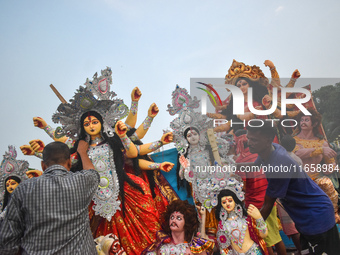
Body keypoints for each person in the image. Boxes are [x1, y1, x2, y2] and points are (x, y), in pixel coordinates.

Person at [246, 121, 340, 255]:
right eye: (248, 138)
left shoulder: (278, 165)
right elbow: (253, 167)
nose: (249, 143)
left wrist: (246, 230)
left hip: (316, 216)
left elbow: (267, 206)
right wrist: (230, 168)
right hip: (309, 214)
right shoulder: (271, 149)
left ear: (267, 140)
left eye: (254, 140)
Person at [0, 141, 100, 254]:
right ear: (70, 162)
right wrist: (82, 152)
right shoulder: (82, 182)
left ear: (43, 165)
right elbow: (92, 173)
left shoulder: (23, 189)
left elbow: (8, 239)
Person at [234, 129, 286, 255]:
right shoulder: (261, 154)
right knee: (275, 235)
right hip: (270, 200)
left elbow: (244, 186)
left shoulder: (241, 160)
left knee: (263, 237)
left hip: (255, 206)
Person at [293, 110, 339, 223]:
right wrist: (320, 150)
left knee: (327, 183)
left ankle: (332, 215)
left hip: (316, 180)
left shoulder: (322, 142)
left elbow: (331, 164)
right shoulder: (294, 141)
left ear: (314, 123)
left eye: (306, 120)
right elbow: (296, 154)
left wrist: (330, 167)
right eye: (301, 120)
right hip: (299, 180)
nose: (303, 122)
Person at [142, 199, 215, 255]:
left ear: (187, 222)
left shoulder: (196, 248)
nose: (174, 220)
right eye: (172, 217)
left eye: (178, 218)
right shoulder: (160, 246)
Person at [215, 188, 268, 255]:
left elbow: (264, 234)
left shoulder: (247, 219)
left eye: (230, 201)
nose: (227, 204)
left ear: (235, 201)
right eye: (224, 202)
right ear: (221, 205)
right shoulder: (222, 224)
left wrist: (259, 218)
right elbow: (223, 245)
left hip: (253, 252)